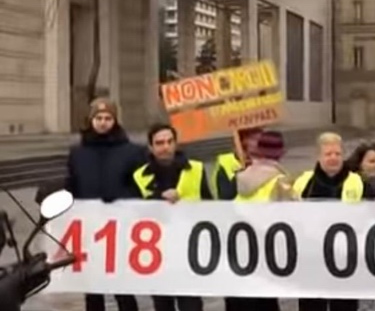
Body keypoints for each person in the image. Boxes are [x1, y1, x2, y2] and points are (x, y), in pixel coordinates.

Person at [64, 98, 144, 311]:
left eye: (108, 118)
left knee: (122, 287)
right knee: (92, 288)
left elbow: (141, 187)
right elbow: (72, 185)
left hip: (120, 228)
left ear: (115, 121)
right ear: (91, 120)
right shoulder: (77, 153)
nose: (103, 122)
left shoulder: (132, 151)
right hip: (88, 229)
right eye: (98, 118)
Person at [132, 123, 209, 311]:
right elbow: (135, 212)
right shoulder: (139, 176)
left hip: (189, 249)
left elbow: (209, 206)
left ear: (176, 143)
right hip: (157, 252)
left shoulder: (196, 169)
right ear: (151, 147)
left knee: (191, 304)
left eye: (169, 141)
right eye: (159, 143)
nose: (165, 147)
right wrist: (159, 198)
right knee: (162, 304)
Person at [293, 132, 366, 311]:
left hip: (344, 257)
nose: (333, 158)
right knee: (311, 304)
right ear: (319, 156)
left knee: (344, 304)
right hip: (311, 257)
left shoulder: (356, 181)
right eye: (328, 154)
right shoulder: (303, 182)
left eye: (337, 154)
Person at [226, 130, 290, 311]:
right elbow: (293, 219)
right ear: (281, 154)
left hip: (238, 256)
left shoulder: (239, 179)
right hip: (265, 257)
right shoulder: (279, 182)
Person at [211, 127, 263, 200]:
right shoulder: (225, 164)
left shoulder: (264, 162)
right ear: (237, 146)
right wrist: (239, 176)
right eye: (245, 147)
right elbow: (225, 197)